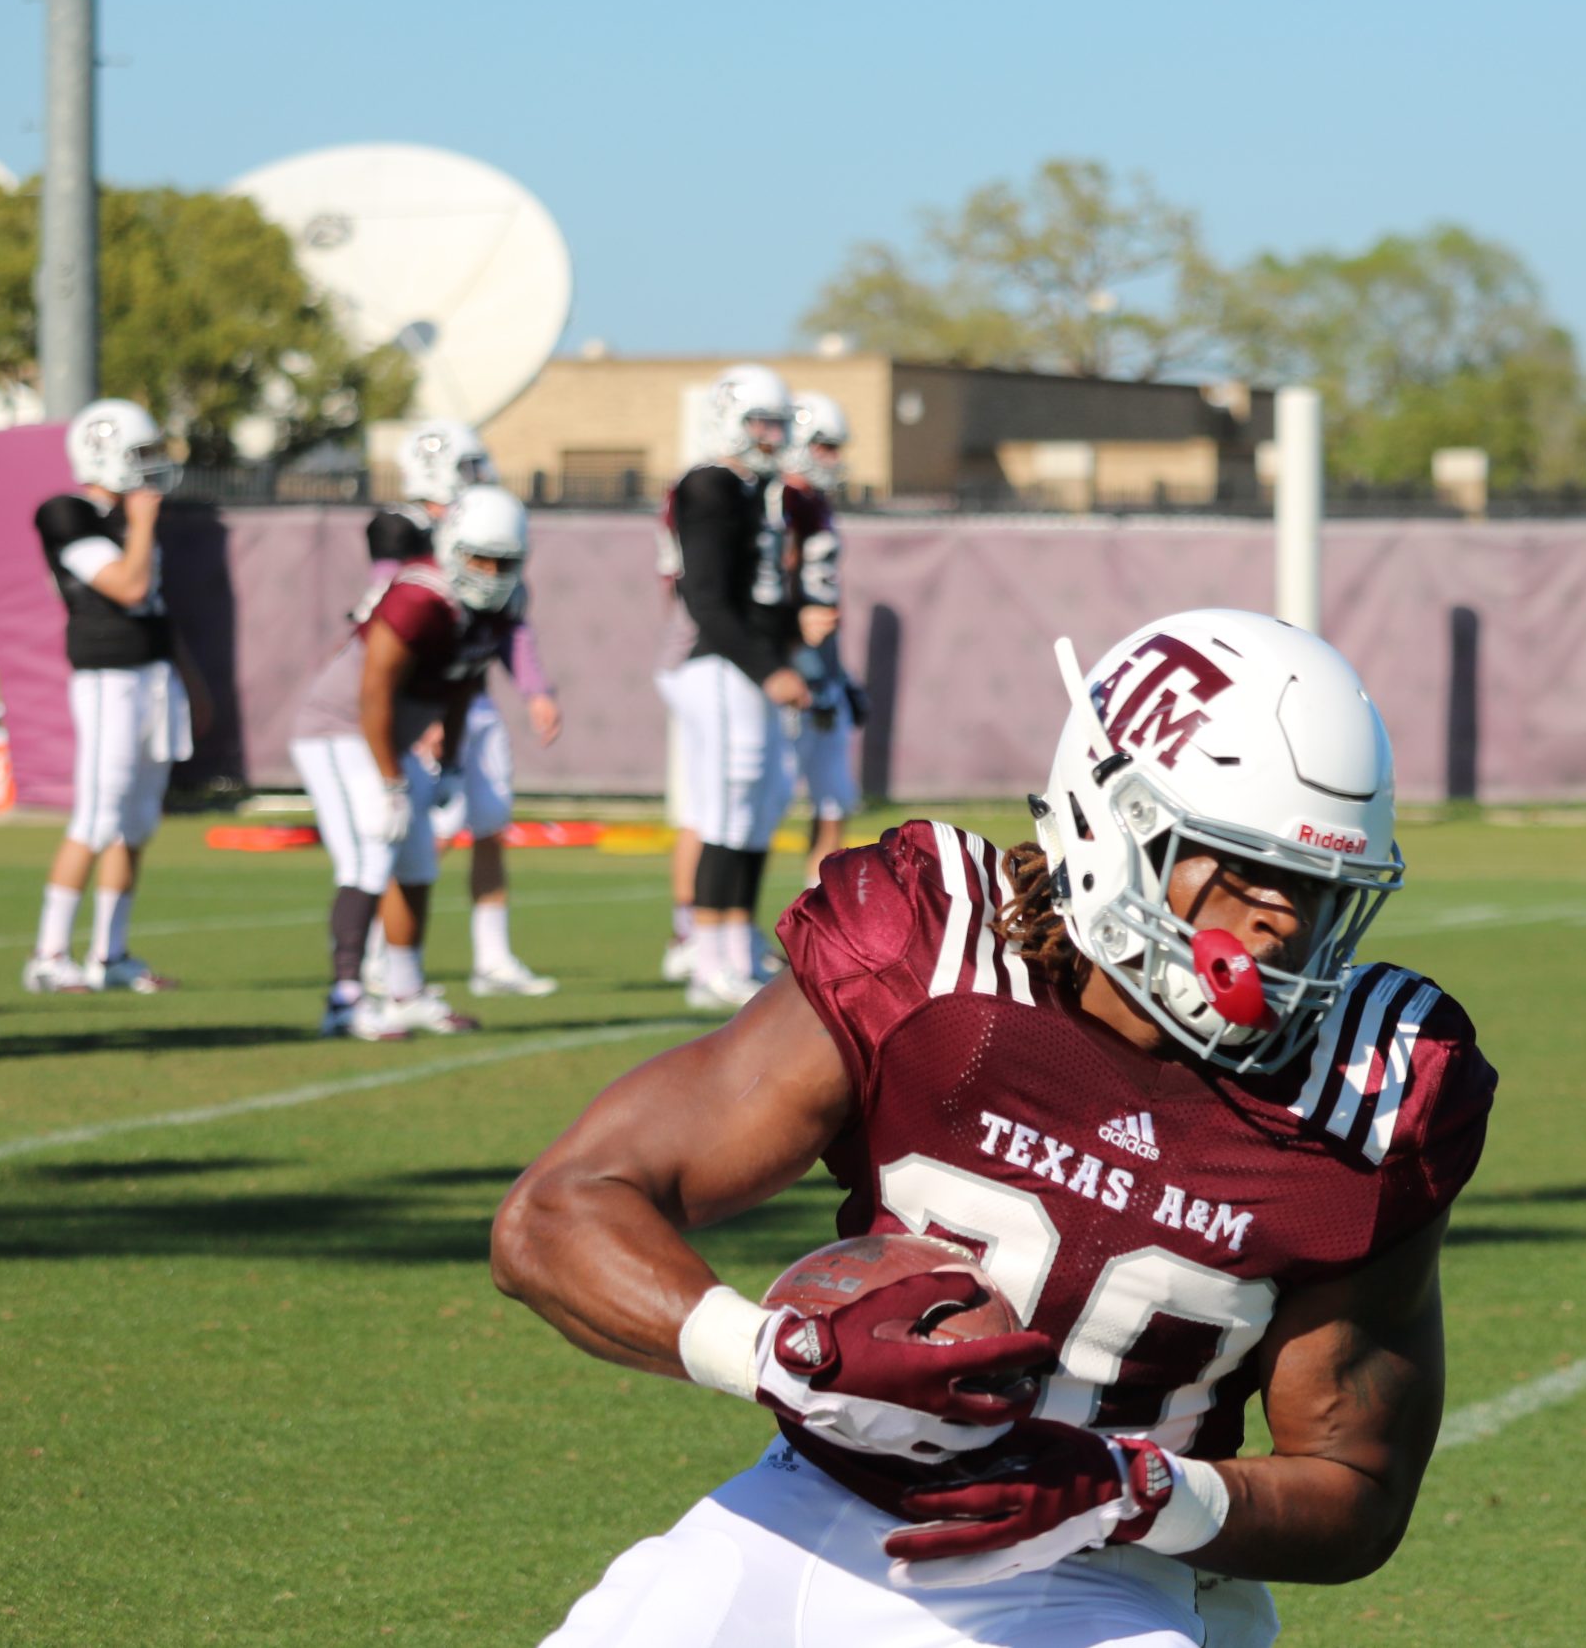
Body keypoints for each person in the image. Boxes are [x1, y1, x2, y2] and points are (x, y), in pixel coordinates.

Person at [494, 609, 1495, 1648]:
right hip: (809, 1508)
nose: (1284, 921)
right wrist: (771, 1352)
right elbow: (555, 1214)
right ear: (1115, 825)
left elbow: (1353, 1484)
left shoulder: (1370, 1092)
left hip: (1098, 1574)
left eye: (1322, 887)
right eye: (1244, 869)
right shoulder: (933, 960)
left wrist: (1133, 1490)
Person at [288, 486, 528, 1040]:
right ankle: (344, 999)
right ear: (452, 548)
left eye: (504, 561)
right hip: (341, 728)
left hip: (397, 736)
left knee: (418, 861)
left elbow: (468, 681)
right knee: (371, 851)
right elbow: (373, 691)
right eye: (479, 558)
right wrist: (392, 781)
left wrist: (454, 761)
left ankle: (405, 990)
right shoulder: (420, 596)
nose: (491, 572)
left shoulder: (505, 602)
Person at [363, 422, 564, 998]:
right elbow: (394, 615)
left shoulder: (492, 525)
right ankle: (386, 951)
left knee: (489, 821)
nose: (480, 478)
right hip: (424, 698)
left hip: (467, 695)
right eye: (469, 467)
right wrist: (421, 709)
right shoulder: (400, 528)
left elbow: (511, 623)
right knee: (421, 835)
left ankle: (493, 957)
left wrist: (535, 689)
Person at [23, 399, 198, 994]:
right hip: (108, 679)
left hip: (153, 677)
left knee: (138, 823)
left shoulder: (127, 514)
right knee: (96, 817)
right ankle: (48, 955)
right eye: (140, 455)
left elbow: (156, 607)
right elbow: (125, 586)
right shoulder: (67, 514)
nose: (150, 467)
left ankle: (110, 954)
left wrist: (189, 683)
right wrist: (143, 523)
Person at [654, 364, 810, 1009]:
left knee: (757, 808)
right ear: (729, 420)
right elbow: (705, 595)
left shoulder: (756, 490)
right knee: (723, 811)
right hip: (718, 663)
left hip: (745, 665)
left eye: (777, 424)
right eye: (760, 423)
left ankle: (738, 947)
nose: (770, 436)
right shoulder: (711, 486)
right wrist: (767, 666)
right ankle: (708, 959)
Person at [784, 390, 864, 891]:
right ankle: (706, 934)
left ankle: (817, 919)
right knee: (752, 812)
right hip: (788, 670)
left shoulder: (815, 504)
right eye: (824, 446)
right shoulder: (784, 503)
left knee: (833, 800)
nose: (832, 460)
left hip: (820, 670)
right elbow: (778, 588)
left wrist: (837, 675)